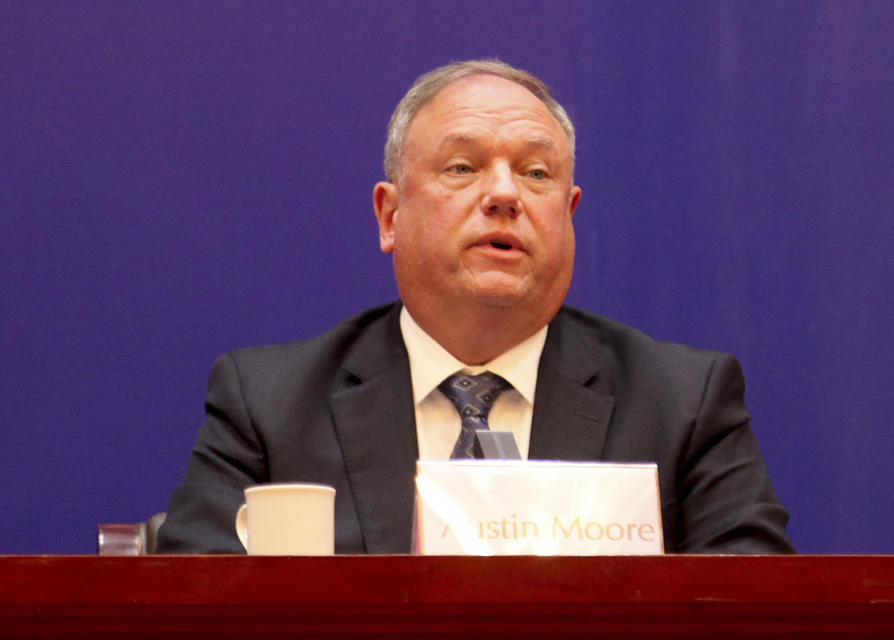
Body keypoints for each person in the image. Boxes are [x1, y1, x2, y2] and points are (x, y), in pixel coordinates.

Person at [157, 60, 794, 554]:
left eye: (537, 174)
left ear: (568, 216)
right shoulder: (268, 404)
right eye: (462, 167)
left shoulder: (682, 403)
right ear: (391, 214)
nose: (503, 194)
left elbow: (759, 610)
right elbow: (189, 607)